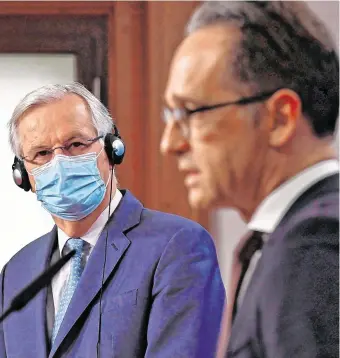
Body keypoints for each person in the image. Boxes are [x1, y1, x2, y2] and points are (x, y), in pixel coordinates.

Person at [160, 1, 339, 357]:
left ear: (280, 119)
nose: (170, 143)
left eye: (190, 113)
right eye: (170, 115)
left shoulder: (314, 248)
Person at [0, 83, 225, 358]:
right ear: (23, 175)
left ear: (111, 150)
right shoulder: (16, 273)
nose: (59, 163)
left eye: (76, 144)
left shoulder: (178, 246)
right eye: (42, 153)